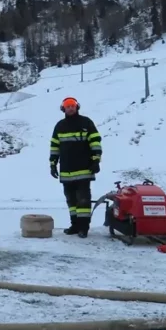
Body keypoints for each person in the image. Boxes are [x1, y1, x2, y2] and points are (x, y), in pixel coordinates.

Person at [49, 96, 102, 238]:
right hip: (66, 171)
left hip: (84, 169)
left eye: (72, 105)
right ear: (63, 109)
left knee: (83, 200)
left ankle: (84, 228)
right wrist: (53, 164)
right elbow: (55, 147)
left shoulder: (86, 123)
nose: (70, 108)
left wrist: (96, 160)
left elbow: (95, 142)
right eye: (67, 106)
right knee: (71, 201)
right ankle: (75, 225)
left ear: (77, 107)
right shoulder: (59, 126)